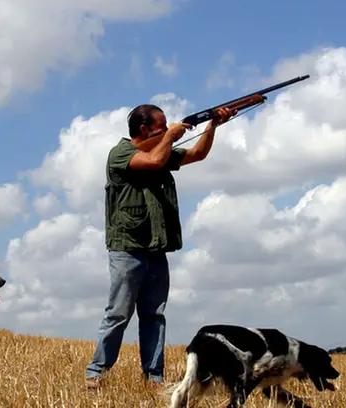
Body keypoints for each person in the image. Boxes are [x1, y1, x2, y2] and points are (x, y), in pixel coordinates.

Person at [84, 104, 235, 389]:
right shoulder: (121, 154)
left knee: (154, 316)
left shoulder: (161, 150)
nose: (167, 130)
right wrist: (171, 136)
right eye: (162, 126)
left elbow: (198, 154)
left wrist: (212, 125)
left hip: (155, 247)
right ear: (144, 129)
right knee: (118, 313)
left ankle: (154, 377)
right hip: (127, 247)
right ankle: (96, 371)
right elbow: (152, 161)